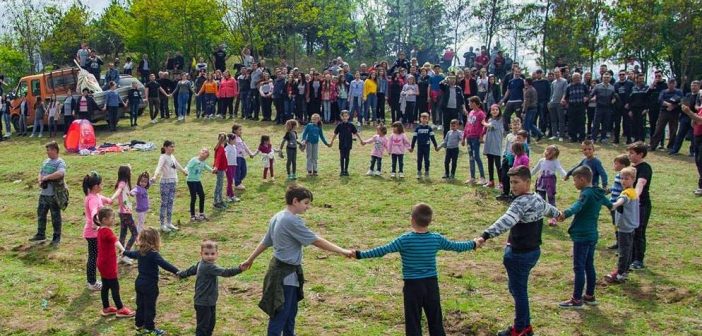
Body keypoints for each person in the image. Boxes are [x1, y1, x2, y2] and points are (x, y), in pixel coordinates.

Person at [240, 185, 353, 336]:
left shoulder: (278, 216)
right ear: (295, 201)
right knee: (281, 313)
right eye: (306, 203)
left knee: (290, 312)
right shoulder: (290, 220)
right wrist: (342, 251)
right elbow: (316, 240)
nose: (308, 207)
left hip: (282, 271)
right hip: (285, 275)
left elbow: (266, 241)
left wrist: (250, 259)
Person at [352, 203, 477, 335]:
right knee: (435, 320)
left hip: (412, 286)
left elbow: (383, 250)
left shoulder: (405, 240)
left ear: (412, 220)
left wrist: (360, 254)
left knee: (413, 322)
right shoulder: (436, 238)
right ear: (430, 221)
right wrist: (474, 243)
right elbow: (456, 246)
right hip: (431, 285)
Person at [474, 166, 561, 336]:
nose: (512, 186)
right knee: (517, 289)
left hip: (520, 254)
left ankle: (521, 329)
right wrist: (559, 214)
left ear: (528, 182)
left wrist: (485, 235)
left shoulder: (520, 202)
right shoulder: (536, 197)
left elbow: (506, 221)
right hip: (533, 251)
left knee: (519, 292)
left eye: (516, 182)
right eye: (511, 182)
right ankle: (525, 326)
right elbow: (549, 209)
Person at [557, 166, 612, 308]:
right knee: (589, 265)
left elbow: (577, 206)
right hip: (593, 235)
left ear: (582, 179)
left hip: (582, 236)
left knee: (579, 267)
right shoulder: (598, 193)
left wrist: (565, 213)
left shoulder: (585, 194)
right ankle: (589, 296)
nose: (574, 183)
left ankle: (576, 299)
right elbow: (610, 205)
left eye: (575, 180)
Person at [177, 240, 244, 336]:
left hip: (209, 301)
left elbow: (192, 269)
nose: (209, 256)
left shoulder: (201, 263)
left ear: (217, 254)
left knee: (210, 324)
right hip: (204, 302)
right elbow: (225, 272)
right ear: (201, 254)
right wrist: (239, 269)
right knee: (203, 327)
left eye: (212, 253)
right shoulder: (209, 267)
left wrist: (182, 274)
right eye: (206, 254)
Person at [123, 228, 180, 336]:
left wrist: (124, 252)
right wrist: (178, 271)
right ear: (155, 240)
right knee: (150, 307)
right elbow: (164, 264)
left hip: (139, 283)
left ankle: (139, 325)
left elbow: (131, 254)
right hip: (150, 285)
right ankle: (150, 328)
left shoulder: (140, 252)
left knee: (140, 304)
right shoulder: (153, 254)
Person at [93, 207, 135, 318]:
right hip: (108, 264)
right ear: (105, 219)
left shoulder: (100, 229)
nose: (114, 219)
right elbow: (115, 241)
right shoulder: (107, 231)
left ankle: (106, 308)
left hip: (102, 263)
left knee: (106, 285)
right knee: (115, 286)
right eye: (112, 218)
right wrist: (124, 250)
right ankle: (120, 309)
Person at [605, 166, 639, 284]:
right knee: (628, 249)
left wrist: (614, 205)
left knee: (623, 251)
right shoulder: (634, 192)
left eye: (626, 179)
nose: (623, 181)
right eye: (622, 178)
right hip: (631, 226)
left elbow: (622, 200)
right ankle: (624, 270)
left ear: (633, 179)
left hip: (625, 227)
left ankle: (619, 274)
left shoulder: (627, 193)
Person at [29, 141, 66, 246]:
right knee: (41, 214)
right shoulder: (45, 161)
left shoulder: (60, 162)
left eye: (49, 150)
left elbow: (61, 173)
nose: (47, 152)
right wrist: (40, 180)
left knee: (55, 217)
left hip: (54, 195)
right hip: (44, 194)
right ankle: (41, 234)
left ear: (55, 150)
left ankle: (56, 237)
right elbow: (40, 172)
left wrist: (47, 177)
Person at [82, 171, 113, 291]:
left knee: (96, 256)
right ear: (96, 186)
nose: (102, 185)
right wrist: (96, 223)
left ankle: (94, 280)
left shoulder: (97, 196)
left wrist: (110, 200)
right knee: (93, 257)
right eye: (101, 184)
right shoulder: (92, 199)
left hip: (94, 233)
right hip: (92, 233)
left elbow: (106, 200)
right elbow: (94, 212)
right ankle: (92, 282)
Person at [152, 140, 188, 232]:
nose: (173, 148)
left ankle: (169, 222)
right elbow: (159, 167)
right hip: (165, 183)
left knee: (170, 202)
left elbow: (177, 165)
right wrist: (155, 176)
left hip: (173, 182)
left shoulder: (172, 156)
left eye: (173, 146)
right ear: (165, 147)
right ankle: (162, 224)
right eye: (171, 146)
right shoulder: (163, 157)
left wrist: (183, 171)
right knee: (164, 203)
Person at [627, 141, 652, 270]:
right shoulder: (631, 167)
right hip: (630, 205)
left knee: (639, 231)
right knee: (630, 230)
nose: (629, 155)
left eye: (632, 153)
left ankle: (638, 260)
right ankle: (629, 256)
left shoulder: (645, 168)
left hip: (641, 205)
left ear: (641, 154)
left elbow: (640, 183)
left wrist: (635, 196)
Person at [531, 145, 567, 226]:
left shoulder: (555, 162)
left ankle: (553, 218)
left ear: (554, 155)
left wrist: (565, 175)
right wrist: (528, 175)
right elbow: (535, 169)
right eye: (546, 151)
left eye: (550, 153)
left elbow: (560, 169)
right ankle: (539, 217)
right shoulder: (541, 161)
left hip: (550, 182)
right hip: (541, 182)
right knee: (540, 200)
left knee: (551, 199)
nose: (547, 153)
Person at [109, 165, 137, 265]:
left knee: (123, 234)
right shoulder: (122, 183)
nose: (131, 173)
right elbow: (118, 191)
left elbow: (125, 194)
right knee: (135, 233)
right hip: (125, 213)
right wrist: (111, 198)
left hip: (123, 212)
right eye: (130, 171)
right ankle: (125, 254)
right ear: (126, 173)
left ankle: (122, 255)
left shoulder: (125, 184)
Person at [650, 78, 683, 151]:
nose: (671, 85)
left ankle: (670, 147)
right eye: (670, 83)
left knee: (673, 130)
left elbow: (681, 101)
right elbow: (660, 100)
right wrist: (668, 104)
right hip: (664, 112)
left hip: (674, 112)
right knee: (659, 129)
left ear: (675, 84)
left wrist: (673, 106)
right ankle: (653, 145)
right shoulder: (663, 91)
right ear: (667, 84)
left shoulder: (679, 92)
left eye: (673, 83)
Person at [606, 154, 631, 249]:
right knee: (615, 223)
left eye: (616, 164)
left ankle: (622, 245)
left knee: (620, 224)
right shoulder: (618, 175)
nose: (614, 165)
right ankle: (618, 242)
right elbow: (615, 188)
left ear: (623, 166)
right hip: (613, 204)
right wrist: (607, 191)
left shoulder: (624, 177)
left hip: (619, 205)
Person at [329, 110, 363, 176]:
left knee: (347, 157)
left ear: (348, 116)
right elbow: (335, 134)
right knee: (342, 157)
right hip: (341, 143)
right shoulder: (339, 125)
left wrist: (361, 140)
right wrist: (331, 142)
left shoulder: (351, 125)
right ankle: (342, 171)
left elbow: (356, 133)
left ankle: (346, 170)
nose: (345, 117)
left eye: (346, 116)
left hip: (348, 143)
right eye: (343, 116)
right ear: (341, 117)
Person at [462, 96, 486, 184]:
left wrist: (481, 136)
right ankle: (472, 177)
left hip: (475, 138)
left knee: (476, 157)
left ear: (475, 103)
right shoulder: (471, 112)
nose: (468, 104)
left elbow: (484, 127)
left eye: (470, 103)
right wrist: (464, 137)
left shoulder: (481, 114)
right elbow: (467, 125)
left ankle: (482, 177)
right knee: (471, 157)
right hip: (469, 138)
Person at [186, 148, 215, 221]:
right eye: (203, 151)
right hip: (191, 181)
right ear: (200, 152)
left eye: (206, 152)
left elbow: (208, 168)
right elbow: (188, 166)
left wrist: (213, 171)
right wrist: (185, 171)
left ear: (207, 156)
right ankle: (192, 215)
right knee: (194, 197)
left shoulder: (203, 162)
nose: (204, 152)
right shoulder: (194, 160)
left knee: (202, 195)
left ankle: (201, 213)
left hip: (197, 181)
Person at [680, 104, 702, 195]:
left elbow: (700, 120)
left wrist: (689, 112)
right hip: (697, 137)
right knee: (698, 161)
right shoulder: (700, 108)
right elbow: (694, 123)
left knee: (701, 161)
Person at [482, 105, 504, 188]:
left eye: (496, 109)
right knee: (490, 163)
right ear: (490, 111)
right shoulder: (490, 120)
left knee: (498, 165)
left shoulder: (500, 120)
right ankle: (491, 181)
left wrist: (484, 123)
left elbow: (490, 125)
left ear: (499, 111)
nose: (495, 111)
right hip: (489, 145)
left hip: (496, 145)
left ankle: (501, 182)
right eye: (493, 110)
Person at [231, 123, 255, 189]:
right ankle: (237, 183)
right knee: (237, 171)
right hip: (236, 157)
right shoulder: (233, 137)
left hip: (242, 157)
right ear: (235, 130)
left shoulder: (240, 138)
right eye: (239, 130)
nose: (241, 131)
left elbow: (245, 146)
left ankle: (238, 181)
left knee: (244, 171)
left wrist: (250, 153)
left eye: (241, 130)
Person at [548, 68, 568, 140]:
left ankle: (561, 136)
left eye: (558, 72)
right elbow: (552, 93)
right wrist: (550, 101)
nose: (556, 74)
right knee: (553, 120)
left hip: (560, 103)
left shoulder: (564, 81)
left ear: (560, 73)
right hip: (553, 102)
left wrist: (563, 99)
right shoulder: (553, 82)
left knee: (561, 120)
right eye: (555, 73)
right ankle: (554, 134)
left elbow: (565, 91)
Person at [224, 133, 241, 203]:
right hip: (228, 166)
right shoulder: (227, 148)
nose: (235, 140)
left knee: (231, 181)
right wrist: (225, 166)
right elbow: (225, 157)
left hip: (234, 165)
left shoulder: (233, 146)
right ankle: (230, 196)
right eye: (234, 139)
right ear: (229, 140)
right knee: (230, 181)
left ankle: (230, 196)